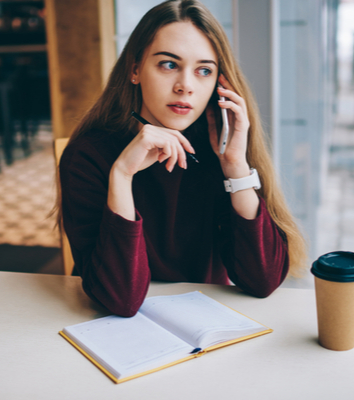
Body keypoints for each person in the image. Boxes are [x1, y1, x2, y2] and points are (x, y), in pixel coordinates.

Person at [59, 0, 306, 317]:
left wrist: (235, 167)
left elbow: (263, 281)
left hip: (204, 326)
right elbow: (120, 300)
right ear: (135, 69)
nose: (185, 86)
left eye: (204, 71)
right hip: (119, 336)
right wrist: (121, 175)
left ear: (219, 84)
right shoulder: (89, 155)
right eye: (169, 65)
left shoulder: (219, 148)